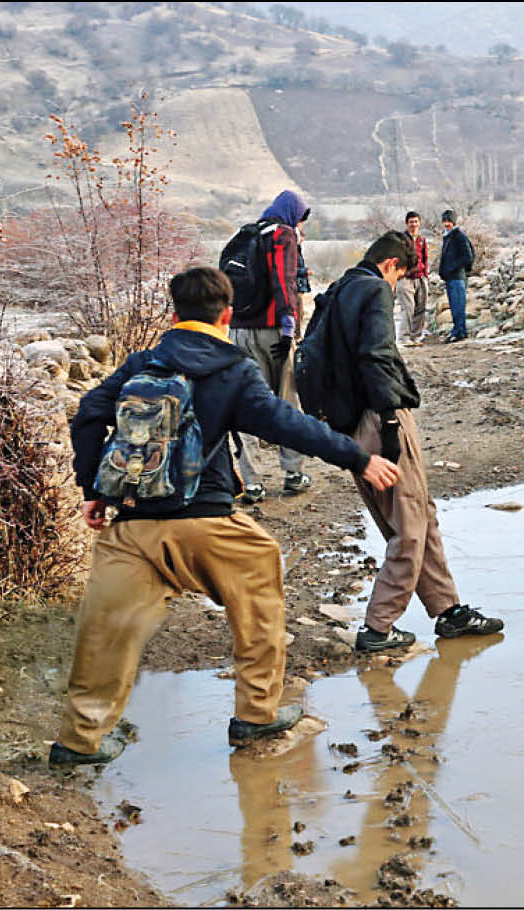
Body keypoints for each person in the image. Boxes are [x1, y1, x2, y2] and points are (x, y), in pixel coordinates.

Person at [53, 266, 402, 765]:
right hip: (209, 523)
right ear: (227, 315)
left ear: (174, 314)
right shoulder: (234, 369)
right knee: (260, 581)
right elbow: (288, 425)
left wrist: (93, 489)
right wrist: (359, 457)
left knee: (106, 628)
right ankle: (256, 715)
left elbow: (89, 412)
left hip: (130, 526)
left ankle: (79, 742)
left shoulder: (141, 363)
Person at [306, 231, 504, 651]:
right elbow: (376, 356)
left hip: (351, 424)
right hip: (380, 419)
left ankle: (448, 611)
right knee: (409, 527)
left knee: (419, 514)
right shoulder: (375, 289)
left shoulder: (339, 289)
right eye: (403, 274)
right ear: (393, 265)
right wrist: (392, 424)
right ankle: (378, 626)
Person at [229, 189, 314, 502]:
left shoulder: (249, 234)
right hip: (272, 332)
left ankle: (250, 481)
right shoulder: (282, 235)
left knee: (247, 403)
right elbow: (284, 280)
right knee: (286, 399)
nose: (301, 227)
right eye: (301, 220)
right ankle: (293, 474)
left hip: (238, 330)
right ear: (293, 213)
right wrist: (289, 325)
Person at [437, 210, 475, 342]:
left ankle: (459, 332)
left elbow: (468, 256)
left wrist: (452, 268)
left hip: (457, 277)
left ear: (454, 222)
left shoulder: (459, 235)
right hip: (451, 277)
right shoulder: (448, 235)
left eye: (449, 221)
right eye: (445, 221)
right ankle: (458, 331)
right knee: (454, 306)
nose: (447, 224)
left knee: (458, 306)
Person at [396, 211, 432, 345]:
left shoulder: (422, 239)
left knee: (420, 307)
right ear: (406, 223)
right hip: (405, 278)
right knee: (408, 308)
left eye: (416, 222)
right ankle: (404, 337)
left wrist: (426, 275)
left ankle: (416, 336)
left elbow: (425, 257)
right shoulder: (400, 239)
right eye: (411, 222)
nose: (414, 224)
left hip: (421, 277)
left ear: (420, 223)